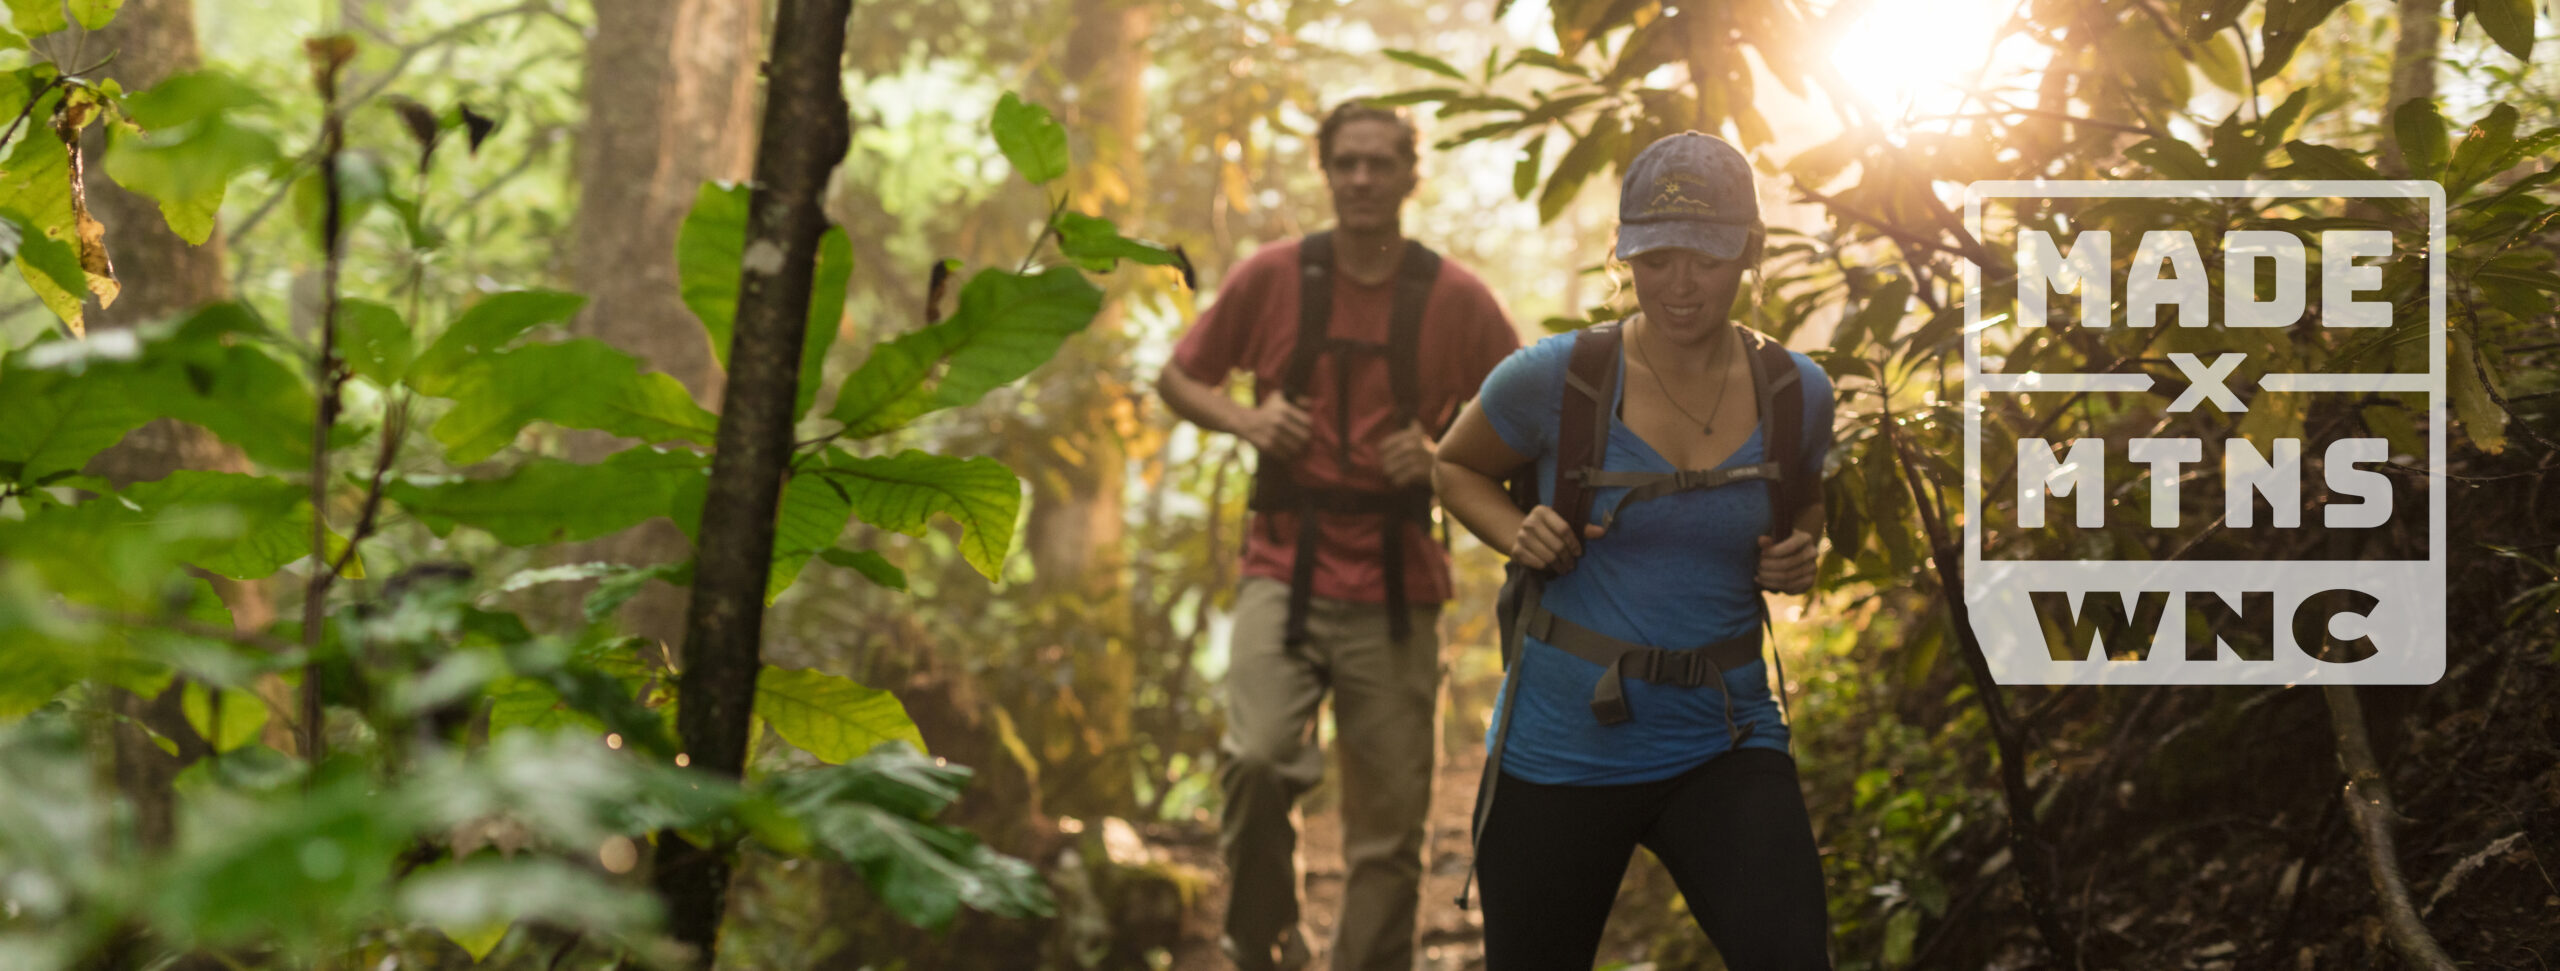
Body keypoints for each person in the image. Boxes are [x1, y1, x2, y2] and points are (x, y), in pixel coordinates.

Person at [1431, 131, 1837, 969]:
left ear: (1747, 255)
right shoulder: (1554, 379)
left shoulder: (1797, 390)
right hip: (1561, 742)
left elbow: (1805, 500)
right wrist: (1519, 531)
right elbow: (1454, 465)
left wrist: (1802, 552)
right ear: (1623, 255)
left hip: (1723, 734)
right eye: (1655, 259)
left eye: (1706, 258)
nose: (1680, 285)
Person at [1156, 100, 1520, 971]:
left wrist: (1439, 457)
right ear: (1325, 171)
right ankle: (1267, 942)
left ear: (1408, 175)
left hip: (1400, 582)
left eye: (1379, 164)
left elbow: (1529, 425)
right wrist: (1251, 422)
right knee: (1256, 760)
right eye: (1345, 163)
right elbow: (1178, 378)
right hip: (1282, 564)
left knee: (1389, 830)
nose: (1361, 180)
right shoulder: (1272, 277)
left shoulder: (1459, 298)